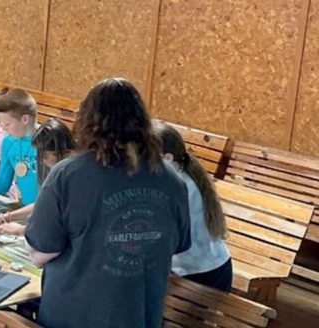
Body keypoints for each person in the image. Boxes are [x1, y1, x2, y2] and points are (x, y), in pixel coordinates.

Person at [23, 78, 191, 328]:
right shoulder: (170, 179)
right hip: (139, 314)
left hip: (75, 314)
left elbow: (40, 251)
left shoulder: (68, 175)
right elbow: (178, 244)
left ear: (87, 121)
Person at [155, 122, 232, 292]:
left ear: (167, 158)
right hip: (193, 268)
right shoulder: (176, 177)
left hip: (204, 273)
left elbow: (166, 239)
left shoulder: (181, 187)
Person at [0, 118, 75, 235]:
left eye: (45, 156)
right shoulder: (62, 170)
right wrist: (2, 218)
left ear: (62, 152)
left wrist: (21, 230)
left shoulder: (74, 177)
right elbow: (44, 203)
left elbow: (63, 229)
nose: (42, 160)